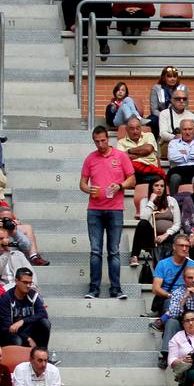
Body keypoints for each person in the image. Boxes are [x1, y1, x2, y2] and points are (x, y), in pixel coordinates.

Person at [81, 125, 136, 299]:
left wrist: (120, 185)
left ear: (108, 139)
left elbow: (132, 179)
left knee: (113, 250)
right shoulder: (90, 158)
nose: (100, 144)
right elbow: (82, 183)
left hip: (115, 209)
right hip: (95, 209)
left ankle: (116, 289)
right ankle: (94, 289)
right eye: (97, 141)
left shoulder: (120, 156)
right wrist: (88, 189)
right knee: (95, 250)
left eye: (103, 140)